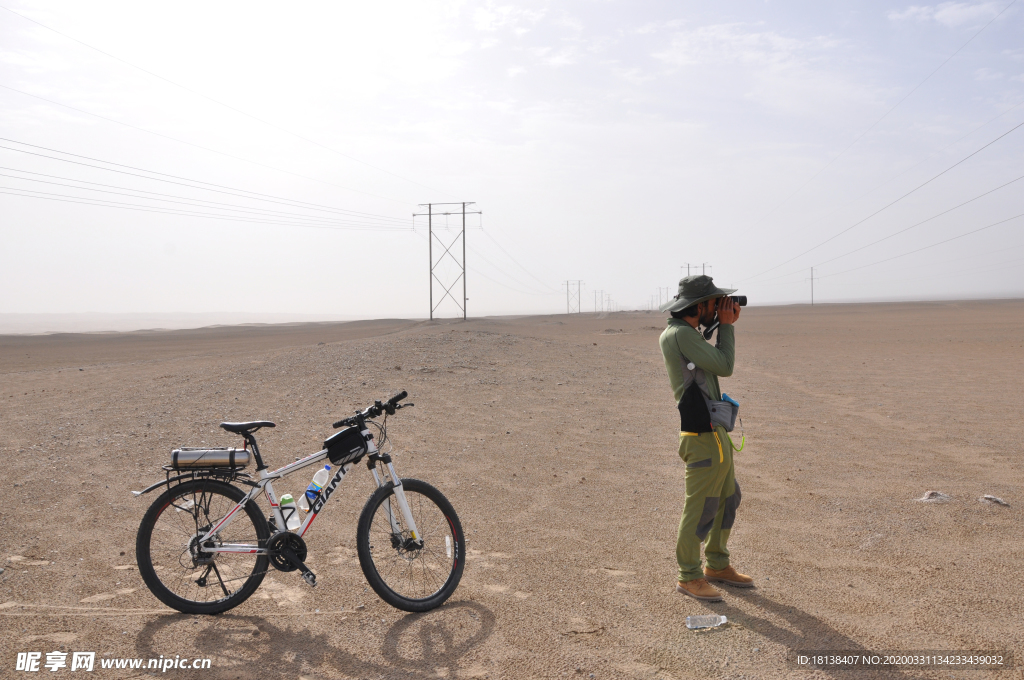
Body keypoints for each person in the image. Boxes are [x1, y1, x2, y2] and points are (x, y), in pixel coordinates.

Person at [658, 274, 753, 602]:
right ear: (699, 306)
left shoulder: (688, 333)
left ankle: (716, 564)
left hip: (715, 433)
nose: (721, 307)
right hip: (701, 435)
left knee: (728, 497)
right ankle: (689, 575)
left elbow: (708, 364)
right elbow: (724, 365)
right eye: (715, 303)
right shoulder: (680, 335)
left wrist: (720, 323)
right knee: (700, 507)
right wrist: (726, 327)